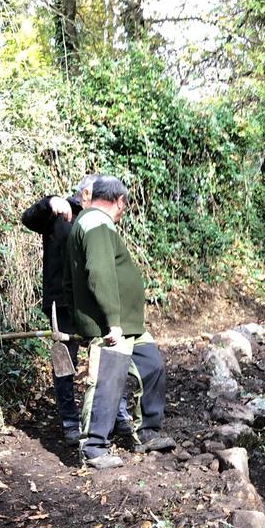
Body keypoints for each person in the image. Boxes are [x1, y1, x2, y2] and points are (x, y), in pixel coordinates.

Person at [64, 176, 175, 470]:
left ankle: (146, 435)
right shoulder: (95, 222)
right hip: (112, 324)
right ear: (119, 201)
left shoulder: (95, 223)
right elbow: (99, 273)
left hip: (128, 324)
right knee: (107, 381)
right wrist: (111, 320)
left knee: (152, 366)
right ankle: (93, 448)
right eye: (125, 204)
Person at [21, 177, 133, 445]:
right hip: (62, 302)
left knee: (110, 355)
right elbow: (28, 218)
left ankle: (118, 415)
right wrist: (49, 202)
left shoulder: (101, 219)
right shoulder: (60, 213)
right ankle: (70, 422)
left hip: (94, 300)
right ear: (85, 193)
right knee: (64, 360)